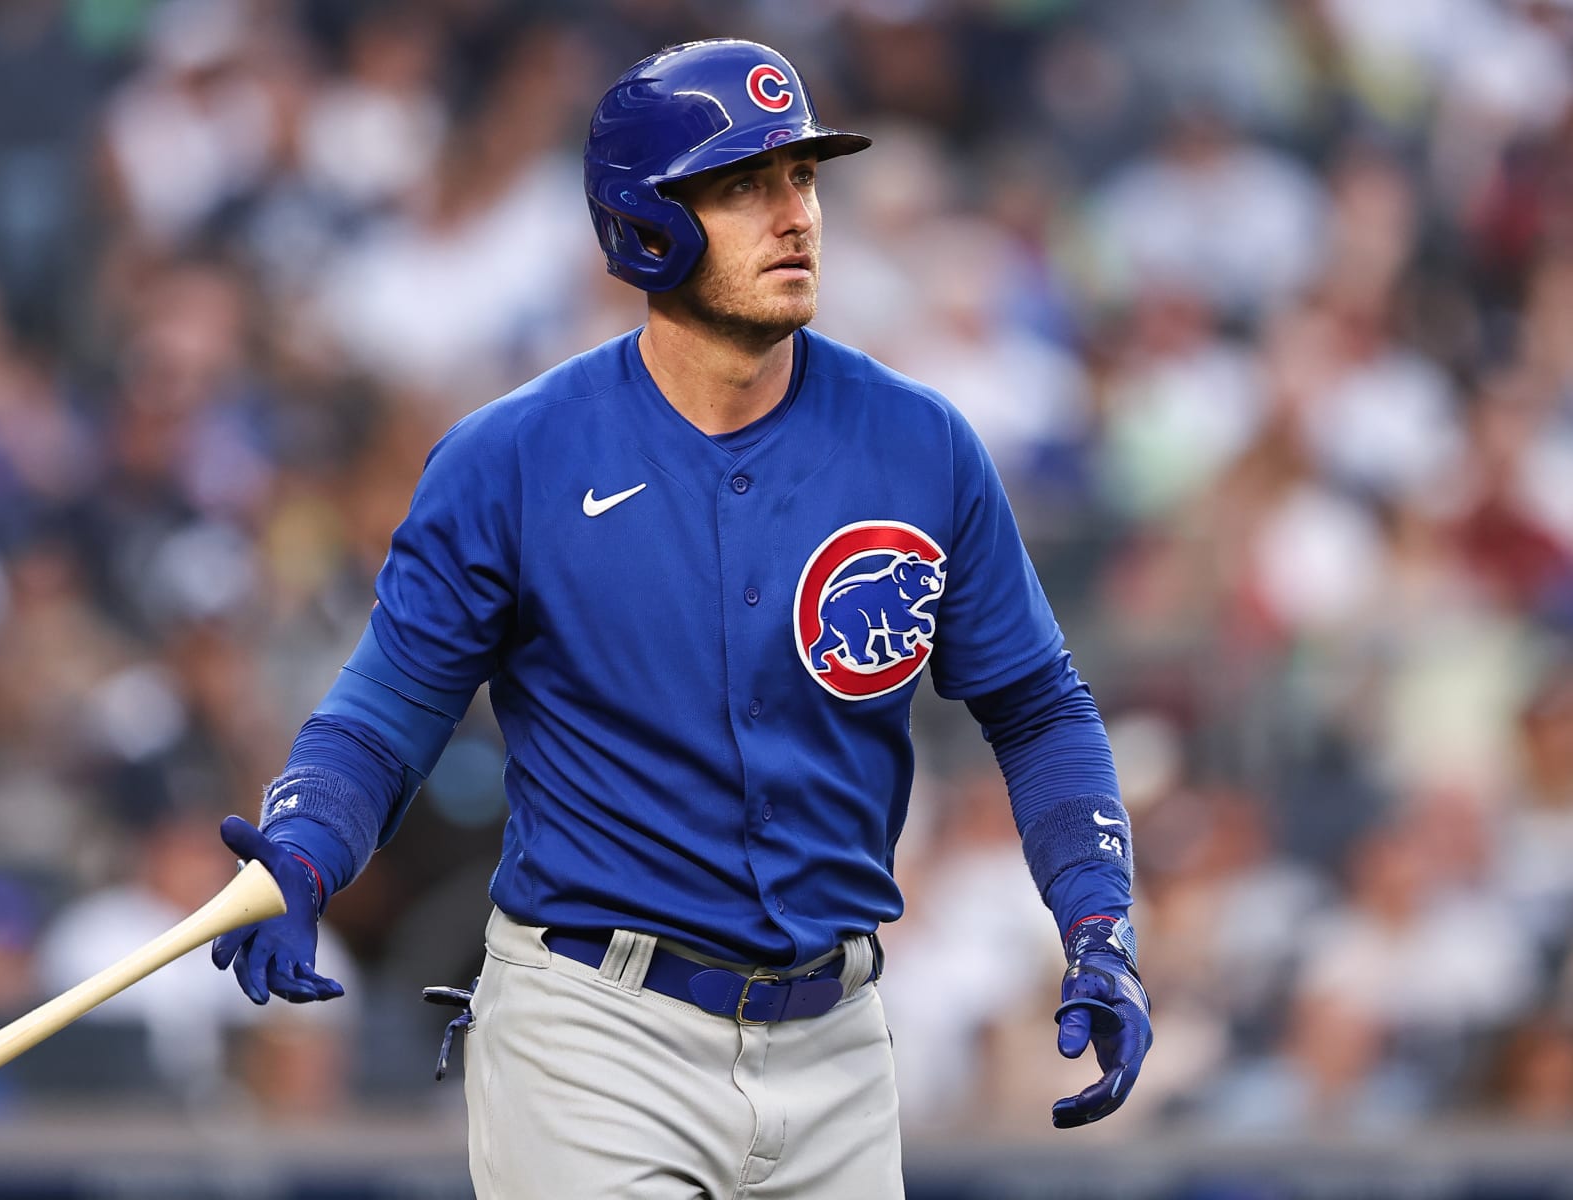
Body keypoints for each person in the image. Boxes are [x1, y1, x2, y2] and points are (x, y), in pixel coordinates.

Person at [211, 38, 1150, 1197]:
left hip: (841, 1037)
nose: (795, 214)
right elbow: (388, 712)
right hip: (598, 1035)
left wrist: (1099, 921)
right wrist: (304, 848)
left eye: (802, 178)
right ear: (645, 221)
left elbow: (1040, 708)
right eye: (746, 185)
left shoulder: (922, 446)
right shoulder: (514, 459)